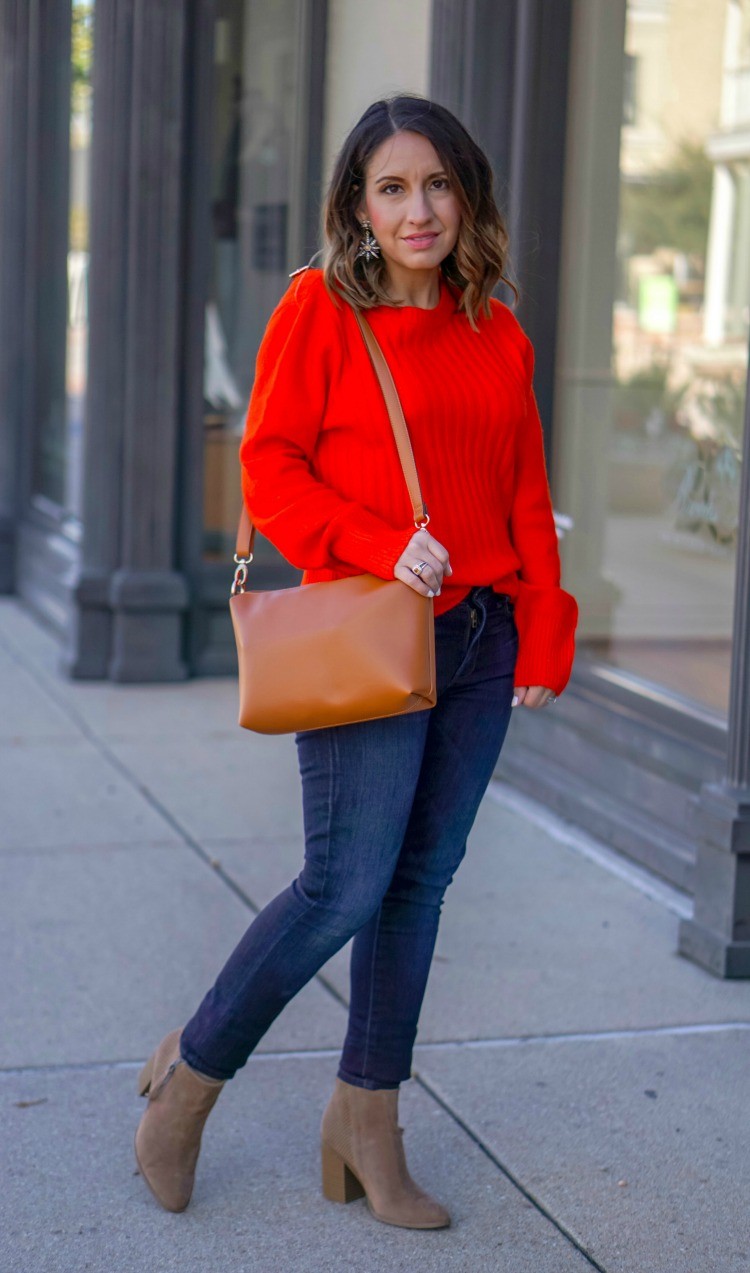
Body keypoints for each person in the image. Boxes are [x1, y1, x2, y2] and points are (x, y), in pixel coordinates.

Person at [134, 93, 578, 1228]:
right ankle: (193, 1076)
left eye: (437, 184)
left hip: (482, 643)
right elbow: (270, 469)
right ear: (358, 206)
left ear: (465, 193)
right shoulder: (321, 309)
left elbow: (524, 490)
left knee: (419, 887)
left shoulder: (499, 329)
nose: (418, 208)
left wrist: (548, 615)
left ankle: (365, 1121)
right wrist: (385, 544)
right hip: (375, 630)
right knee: (346, 884)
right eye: (392, 188)